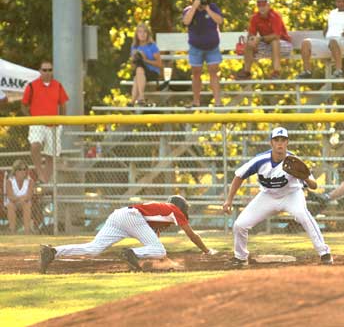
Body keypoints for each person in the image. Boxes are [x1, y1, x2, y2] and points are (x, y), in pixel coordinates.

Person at [222, 127, 332, 267]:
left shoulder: (294, 160)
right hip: (267, 196)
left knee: (303, 215)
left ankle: (324, 253)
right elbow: (239, 176)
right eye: (276, 140)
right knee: (239, 225)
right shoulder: (260, 160)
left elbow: (314, 185)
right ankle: (240, 257)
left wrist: (304, 177)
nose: (280, 143)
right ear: (271, 143)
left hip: (291, 195)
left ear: (287, 143)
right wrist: (229, 200)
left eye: (283, 140)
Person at [38, 195, 217, 274]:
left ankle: (53, 252)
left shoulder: (161, 215)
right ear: (181, 208)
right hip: (131, 216)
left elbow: (153, 248)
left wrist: (170, 264)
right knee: (159, 250)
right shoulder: (173, 210)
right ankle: (130, 253)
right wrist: (207, 250)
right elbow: (192, 235)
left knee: (93, 248)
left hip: (120, 215)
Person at [22, 60, 68, 184]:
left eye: (50, 70)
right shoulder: (32, 86)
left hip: (54, 124)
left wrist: (62, 120)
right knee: (35, 145)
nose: (47, 72)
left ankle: (44, 181)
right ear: (40, 71)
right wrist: (31, 119)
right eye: (44, 70)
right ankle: (39, 171)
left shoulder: (58, 85)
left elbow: (63, 104)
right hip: (37, 122)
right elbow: (24, 105)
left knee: (51, 155)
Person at [182, 0, 223, 107]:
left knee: (213, 72)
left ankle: (217, 102)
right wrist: (194, 7)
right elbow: (186, 22)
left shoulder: (212, 7)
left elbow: (219, 21)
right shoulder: (189, 10)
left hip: (212, 47)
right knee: (196, 73)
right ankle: (196, 101)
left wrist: (208, 9)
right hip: (196, 47)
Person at [235, 0, 293, 80]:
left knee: (274, 41)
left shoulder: (275, 16)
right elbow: (251, 34)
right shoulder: (255, 17)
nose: (262, 7)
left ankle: (276, 72)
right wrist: (253, 41)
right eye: (259, 5)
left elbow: (276, 36)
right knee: (249, 44)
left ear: (268, 6)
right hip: (268, 45)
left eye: (264, 5)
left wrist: (260, 39)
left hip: (283, 44)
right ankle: (246, 72)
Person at [130, 23, 162, 106]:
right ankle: (139, 98)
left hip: (152, 72)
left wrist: (145, 60)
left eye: (144, 32)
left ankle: (134, 100)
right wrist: (135, 59)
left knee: (138, 72)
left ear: (148, 34)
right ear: (136, 35)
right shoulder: (134, 47)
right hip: (140, 73)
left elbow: (159, 64)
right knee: (138, 70)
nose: (142, 34)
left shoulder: (152, 46)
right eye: (140, 32)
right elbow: (133, 66)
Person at [5, 160, 35, 234]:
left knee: (27, 205)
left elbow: (29, 196)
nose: (22, 171)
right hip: (13, 203)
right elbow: (10, 197)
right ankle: (12, 231)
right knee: (10, 205)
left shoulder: (30, 181)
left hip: (25, 203)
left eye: (24, 169)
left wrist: (20, 199)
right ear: (15, 171)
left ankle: (27, 232)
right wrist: (21, 198)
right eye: (20, 169)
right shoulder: (9, 181)